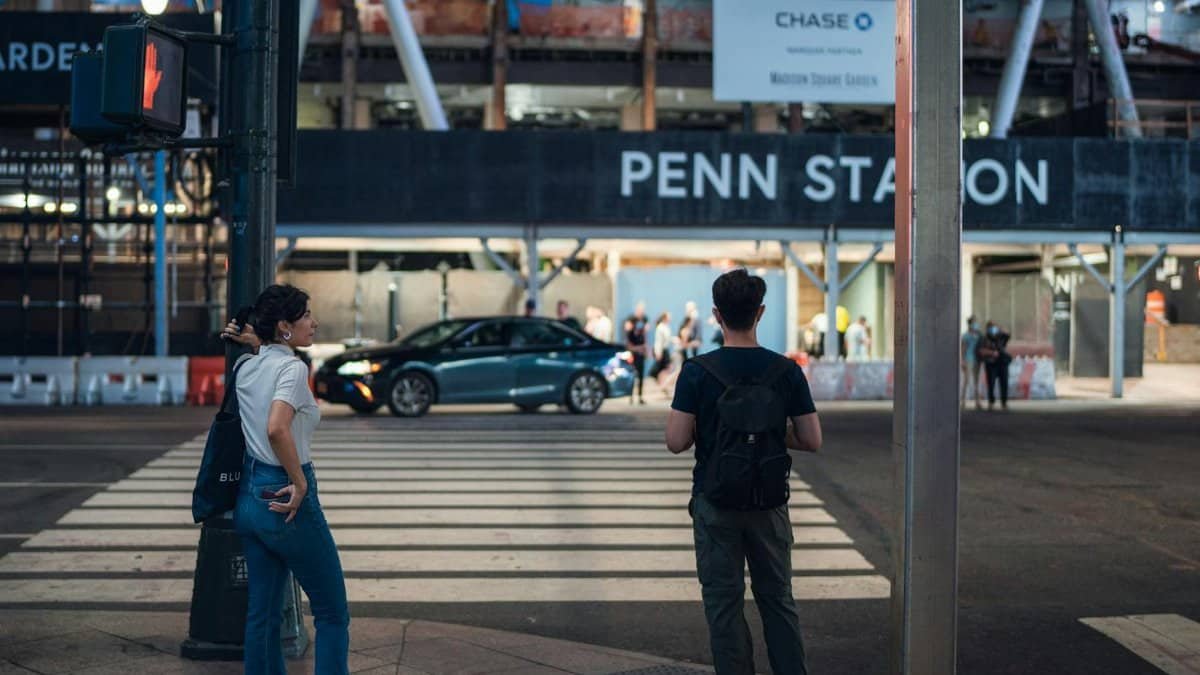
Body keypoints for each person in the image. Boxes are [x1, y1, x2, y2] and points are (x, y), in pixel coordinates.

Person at [666, 268, 821, 675]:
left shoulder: (698, 371)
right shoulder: (785, 371)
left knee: (724, 604)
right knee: (778, 600)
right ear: (761, 312)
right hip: (769, 504)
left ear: (717, 315)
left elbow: (676, 440)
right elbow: (811, 439)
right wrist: (770, 428)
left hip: (716, 504)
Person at [220, 284, 350, 675]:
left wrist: (255, 341)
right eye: (306, 315)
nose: (314, 322)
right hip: (286, 496)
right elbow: (278, 429)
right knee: (331, 612)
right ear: (285, 326)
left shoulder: (246, 365)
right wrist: (301, 483)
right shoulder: (292, 370)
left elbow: (263, 362)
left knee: (262, 615)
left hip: (249, 499)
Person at [977, 320, 1011, 411]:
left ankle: (1004, 402)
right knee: (991, 384)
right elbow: (981, 351)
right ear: (987, 328)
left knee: (1004, 383)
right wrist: (992, 353)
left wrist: (1001, 329)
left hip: (1002, 363)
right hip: (991, 363)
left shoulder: (1000, 337)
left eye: (994, 327)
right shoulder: (984, 338)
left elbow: (1008, 334)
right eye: (991, 327)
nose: (993, 329)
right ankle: (991, 402)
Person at [624, 302, 649, 404]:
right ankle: (631, 396)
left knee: (641, 376)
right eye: (640, 310)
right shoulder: (631, 320)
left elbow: (645, 335)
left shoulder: (645, 320)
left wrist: (645, 349)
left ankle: (640, 396)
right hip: (633, 352)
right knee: (632, 375)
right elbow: (628, 338)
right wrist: (634, 348)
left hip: (641, 352)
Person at [961, 315, 983, 410]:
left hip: (977, 359)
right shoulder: (966, 336)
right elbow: (963, 349)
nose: (976, 324)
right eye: (974, 323)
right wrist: (962, 361)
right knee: (966, 380)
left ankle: (978, 402)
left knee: (977, 381)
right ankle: (963, 401)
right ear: (970, 324)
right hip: (969, 359)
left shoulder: (979, 335)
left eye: (976, 323)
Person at [650, 311, 675, 392]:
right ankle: (662, 385)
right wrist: (658, 352)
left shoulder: (666, 327)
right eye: (669, 316)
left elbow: (668, 338)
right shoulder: (660, 327)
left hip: (666, 350)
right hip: (662, 351)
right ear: (665, 318)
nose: (670, 318)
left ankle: (662, 384)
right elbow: (658, 341)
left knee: (666, 368)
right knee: (666, 368)